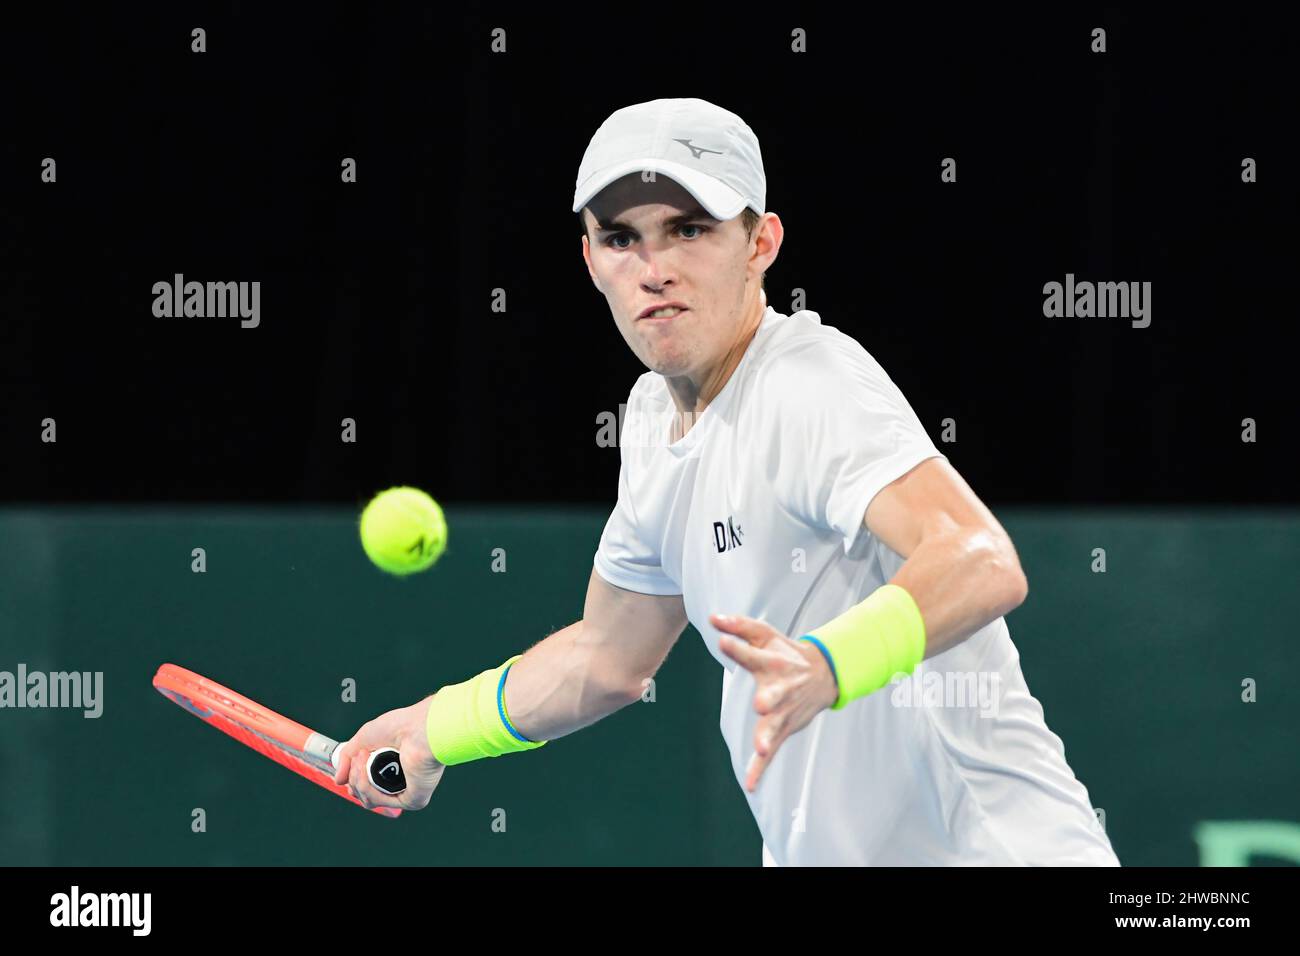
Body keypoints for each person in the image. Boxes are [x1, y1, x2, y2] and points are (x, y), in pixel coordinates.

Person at [334, 97, 1120, 866]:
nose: (654, 269)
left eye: (690, 230)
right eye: (621, 239)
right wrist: (433, 729)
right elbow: (608, 657)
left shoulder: (808, 385)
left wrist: (829, 664)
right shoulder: (649, 420)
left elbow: (981, 560)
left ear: (761, 242)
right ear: (589, 261)